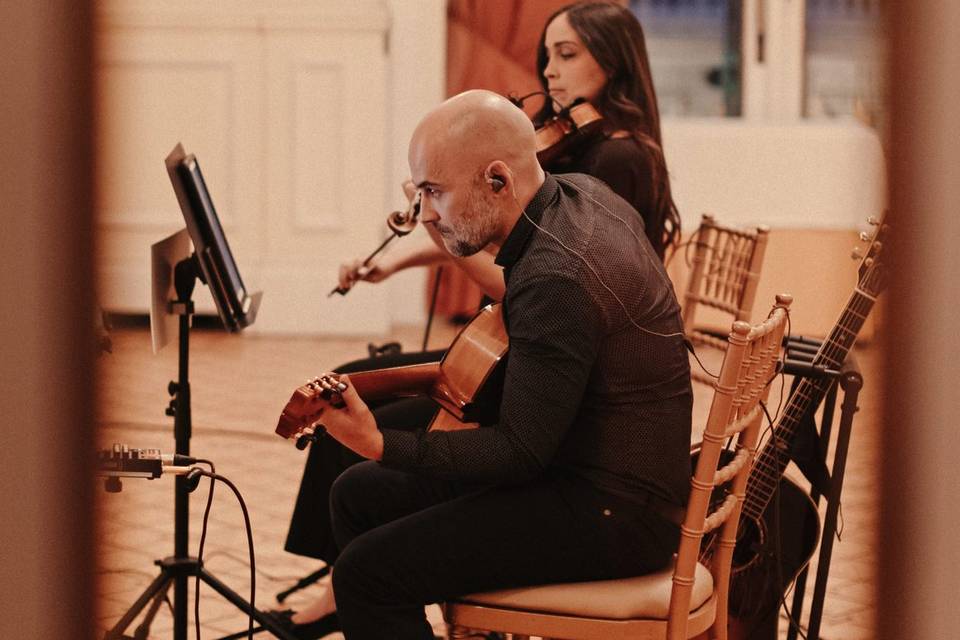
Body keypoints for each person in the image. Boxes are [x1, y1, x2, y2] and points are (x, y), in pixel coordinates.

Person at [279, 2, 684, 632]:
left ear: (498, 178)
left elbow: (520, 452)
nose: (428, 216)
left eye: (433, 193)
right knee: (355, 493)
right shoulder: (582, 195)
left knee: (367, 571)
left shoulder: (555, 274)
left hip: (613, 511)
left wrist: (382, 442)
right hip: (586, 466)